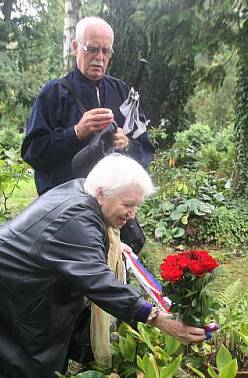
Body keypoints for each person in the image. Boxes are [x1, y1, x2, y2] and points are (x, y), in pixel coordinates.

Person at [0, 155, 206, 378]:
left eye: (137, 206)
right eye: (128, 204)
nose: (132, 215)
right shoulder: (76, 219)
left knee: (35, 346)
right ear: (101, 194)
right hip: (6, 281)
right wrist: (155, 317)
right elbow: (98, 281)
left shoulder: (84, 191)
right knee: (20, 356)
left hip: (12, 271)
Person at [21, 16, 154, 251]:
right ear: (75, 48)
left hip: (113, 217)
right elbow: (33, 151)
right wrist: (75, 133)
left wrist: (127, 145)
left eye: (105, 51)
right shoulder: (54, 94)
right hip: (65, 215)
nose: (100, 57)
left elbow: (145, 149)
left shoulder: (122, 92)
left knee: (112, 277)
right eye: (92, 49)